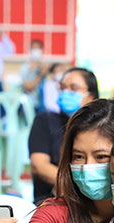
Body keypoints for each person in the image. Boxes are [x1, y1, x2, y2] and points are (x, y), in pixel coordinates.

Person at [28, 67, 98, 204]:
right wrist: (75, 189)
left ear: (91, 96)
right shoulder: (45, 121)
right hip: (51, 199)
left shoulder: (99, 127)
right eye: (63, 88)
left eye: (74, 88)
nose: (66, 92)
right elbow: (39, 165)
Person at [20, 40, 47, 112]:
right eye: (34, 48)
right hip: (30, 104)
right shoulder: (25, 67)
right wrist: (40, 75)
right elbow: (29, 87)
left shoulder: (43, 66)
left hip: (42, 105)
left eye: (38, 48)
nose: (36, 51)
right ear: (30, 50)